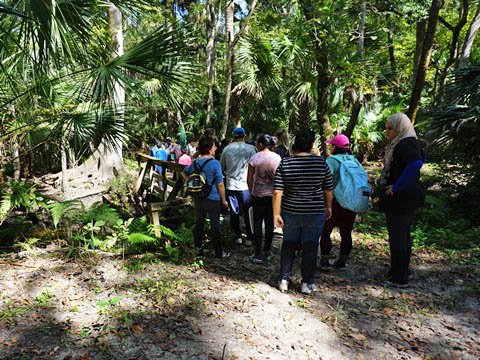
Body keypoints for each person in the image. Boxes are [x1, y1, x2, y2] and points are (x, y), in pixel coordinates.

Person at [273, 128, 333, 294]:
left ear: (295, 144)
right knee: (311, 246)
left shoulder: (285, 162)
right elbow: (328, 189)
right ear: (311, 145)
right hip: (314, 212)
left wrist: (276, 214)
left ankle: (284, 279)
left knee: (289, 244)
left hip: (290, 211)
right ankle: (307, 283)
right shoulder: (321, 163)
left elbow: (278, 191)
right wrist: (328, 207)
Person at [379, 112, 425, 288]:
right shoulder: (403, 142)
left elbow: (415, 165)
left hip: (402, 198)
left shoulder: (405, 143)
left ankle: (399, 276)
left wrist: (397, 186)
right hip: (401, 198)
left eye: (390, 128)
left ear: (399, 128)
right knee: (402, 235)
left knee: (399, 237)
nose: (387, 132)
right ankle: (399, 270)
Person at [182, 137, 230, 258]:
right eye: (213, 146)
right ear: (209, 149)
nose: (215, 148)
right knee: (215, 226)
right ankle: (218, 252)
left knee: (199, 224)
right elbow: (220, 184)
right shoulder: (215, 163)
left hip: (198, 197)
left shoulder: (195, 162)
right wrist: (224, 200)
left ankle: (198, 251)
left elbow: (184, 173)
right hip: (213, 198)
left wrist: (193, 183)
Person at [318, 134, 358, 271]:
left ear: (335, 147)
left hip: (334, 202)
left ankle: (324, 261)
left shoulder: (332, 160)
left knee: (326, 231)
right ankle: (342, 261)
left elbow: (324, 180)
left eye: (331, 145)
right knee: (346, 233)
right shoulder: (354, 161)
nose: (330, 147)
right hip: (351, 203)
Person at [247, 134, 281, 263]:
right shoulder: (277, 158)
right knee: (269, 224)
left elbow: (249, 178)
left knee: (257, 223)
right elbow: (279, 178)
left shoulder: (255, 157)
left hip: (258, 195)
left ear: (260, 144)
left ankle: (257, 252)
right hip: (272, 196)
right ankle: (267, 251)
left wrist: (251, 191)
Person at [220, 127, 257, 246]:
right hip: (246, 186)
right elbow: (254, 167)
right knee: (248, 211)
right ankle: (250, 237)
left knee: (234, 212)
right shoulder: (251, 149)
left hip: (231, 185)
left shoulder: (227, 149)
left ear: (233, 136)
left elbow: (222, 167)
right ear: (244, 136)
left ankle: (238, 236)